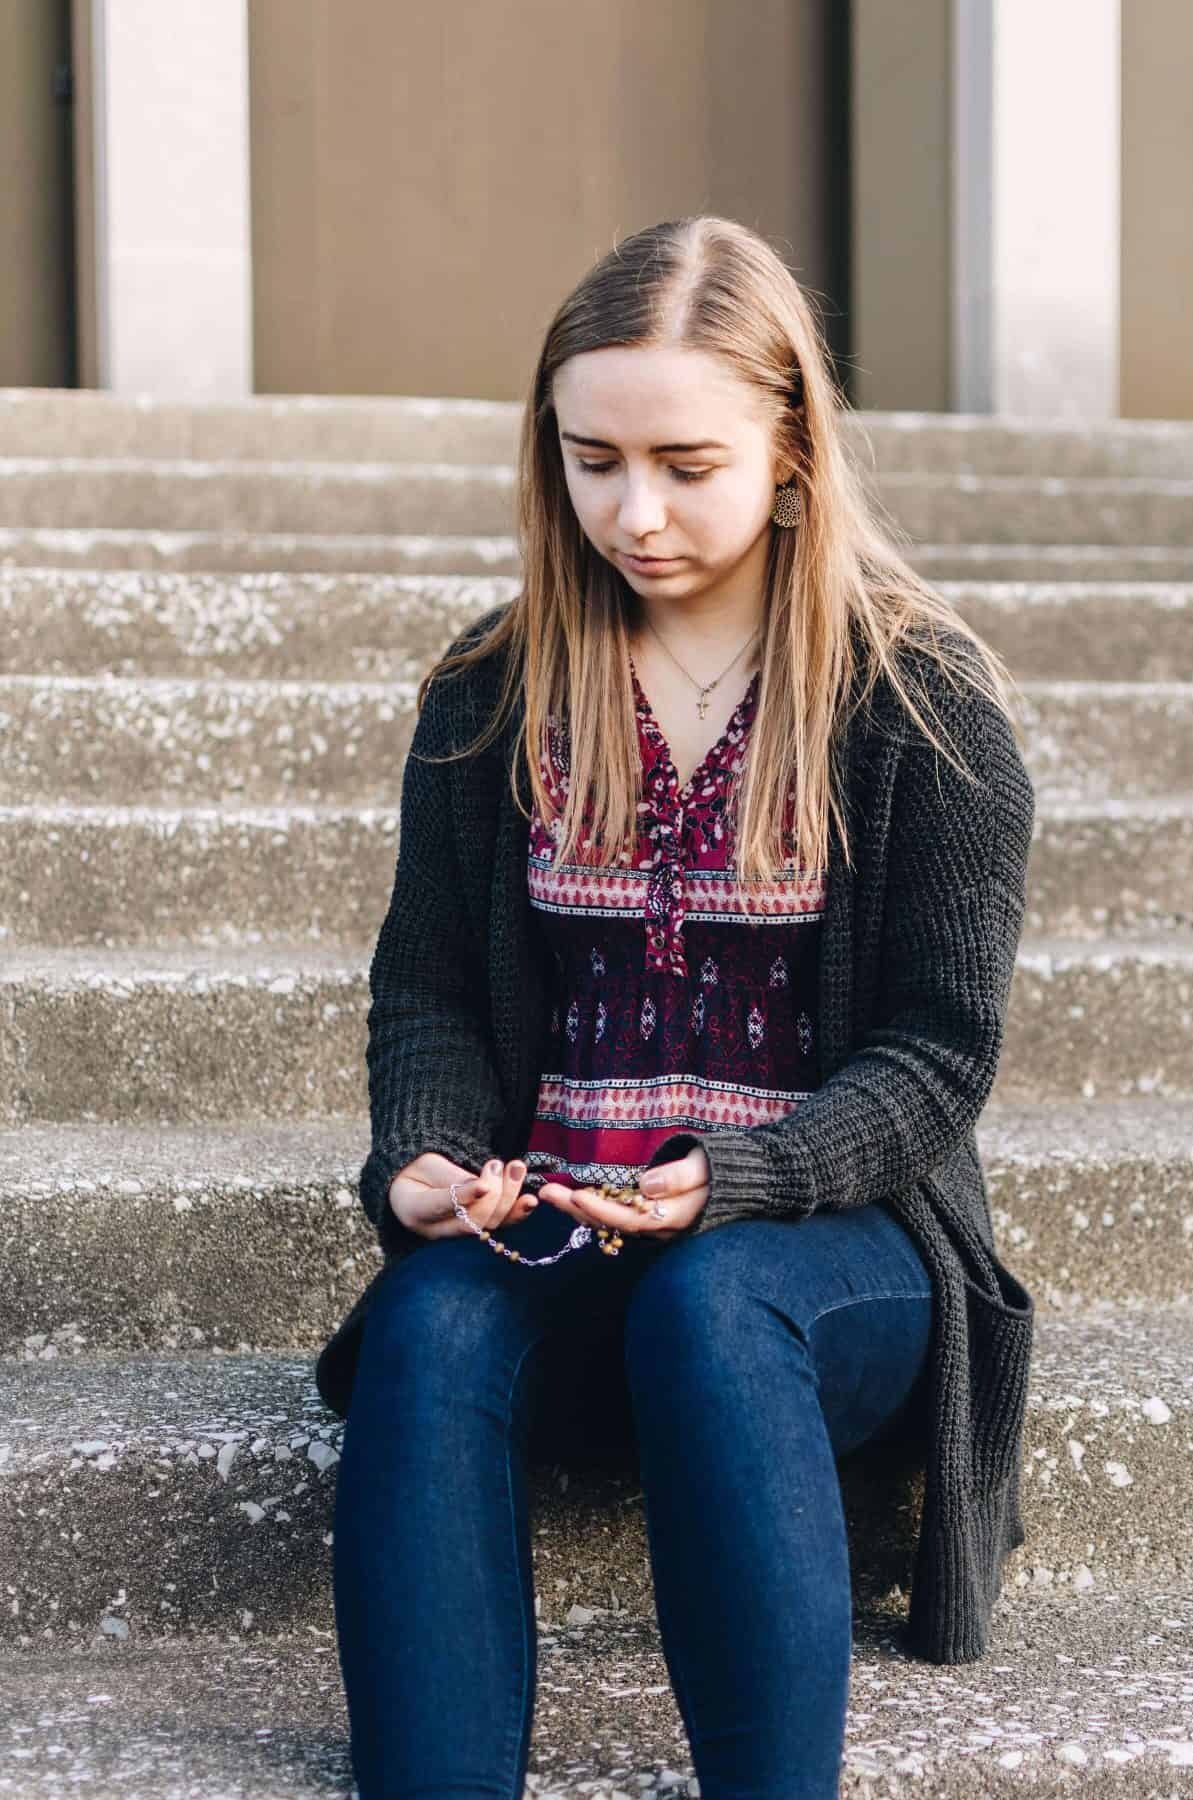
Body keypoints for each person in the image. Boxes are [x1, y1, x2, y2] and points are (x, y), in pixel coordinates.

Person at [315, 213, 1038, 1799]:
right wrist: (427, 1156)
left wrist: (752, 1181)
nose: (631, 511)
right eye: (591, 460)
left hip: (840, 1249)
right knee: (429, 1323)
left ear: (791, 449)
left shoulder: (921, 704)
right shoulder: (491, 692)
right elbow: (427, 985)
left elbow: (939, 1053)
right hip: (566, 1214)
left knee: (720, 1303)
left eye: (685, 464)